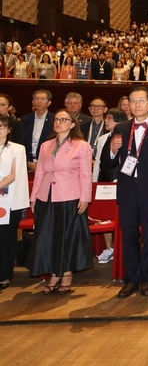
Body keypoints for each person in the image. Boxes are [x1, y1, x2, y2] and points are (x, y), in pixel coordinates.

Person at [106, 87, 148, 299]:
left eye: (141, 100)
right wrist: (113, 149)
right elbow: (108, 163)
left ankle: (146, 278)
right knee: (129, 236)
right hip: (127, 190)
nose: (136, 105)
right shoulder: (122, 127)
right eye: (132, 101)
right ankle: (131, 279)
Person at [26, 110, 93, 294]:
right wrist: (33, 197)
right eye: (56, 119)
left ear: (72, 124)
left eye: (64, 120)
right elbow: (39, 173)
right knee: (48, 236)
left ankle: (67, 273)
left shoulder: (81, 146)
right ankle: (54, 272)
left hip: (69, 196)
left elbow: (86, 174)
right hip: (46, 196)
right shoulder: (46, 145)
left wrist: (85, 197)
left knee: (67, 236)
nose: (58, 122)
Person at [93, 108, 128, 264]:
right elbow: (99, 163)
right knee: (105, 216)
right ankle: (109, 247)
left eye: (110, 118)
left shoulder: (127, 136)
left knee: (121, 215)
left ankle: (121, 246)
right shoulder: (102, 139)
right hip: (104, 181)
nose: (106, 121)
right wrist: (94, 182)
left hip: (121, 181)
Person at [0, 114, 30, 289]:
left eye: (2, 126)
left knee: (6, 238)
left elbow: (13, 174)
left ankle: (4, 274)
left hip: (8, 202)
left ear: (10, 129)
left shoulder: (17, 148)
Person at [21, 90, 54, 172]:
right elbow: (21, 142)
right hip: (28, 163)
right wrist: (27, 162)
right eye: (36, 99)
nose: (39, 101)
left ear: (49, 103)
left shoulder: (54, 119)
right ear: (33, 102)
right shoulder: (25, 119)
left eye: (43, 99)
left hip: (48, 163)